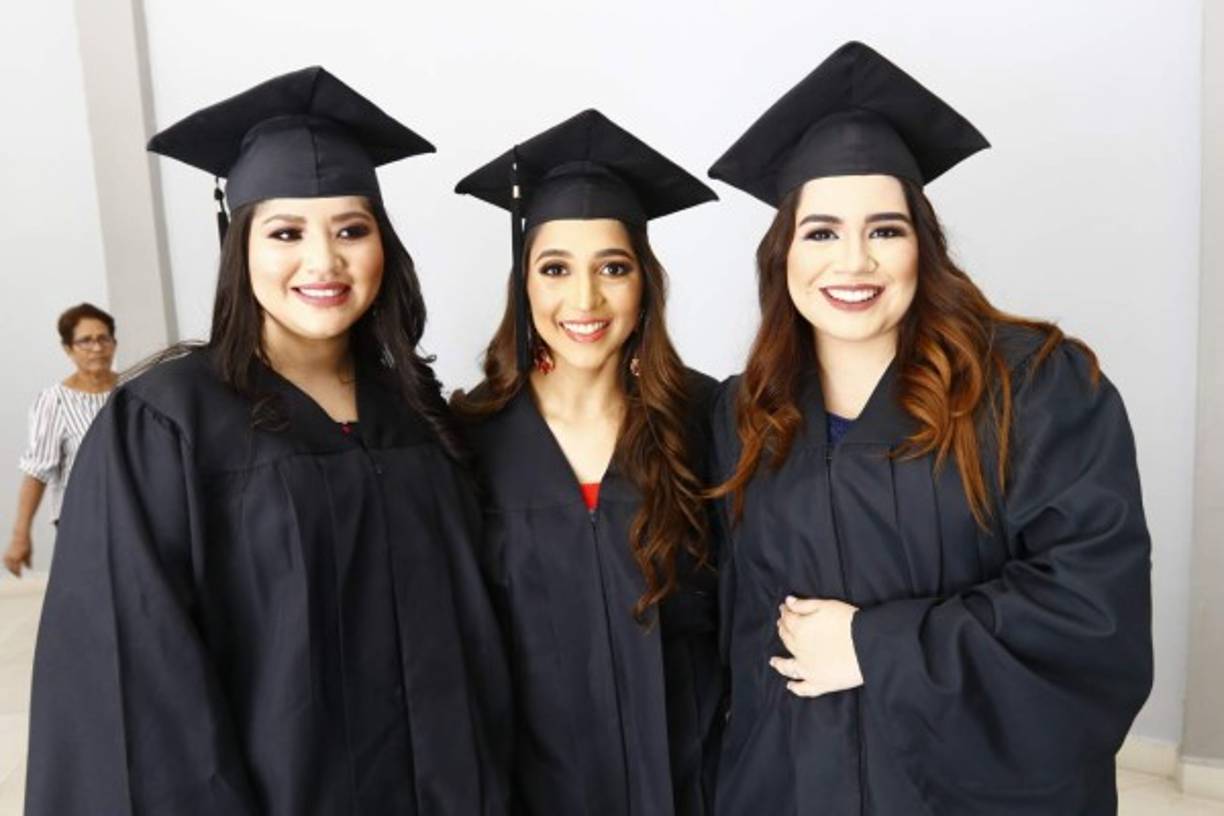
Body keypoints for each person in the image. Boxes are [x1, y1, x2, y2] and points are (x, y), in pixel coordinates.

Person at [26, 67, 512, 815]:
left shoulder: (418, 420)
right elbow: (135, 687)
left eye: (352, 229)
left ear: (384, 245)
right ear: (239, 244)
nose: (324, 262)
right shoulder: (164, 425)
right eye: (286, 232)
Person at [706, 42, 1152, 814]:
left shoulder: (1036, 388)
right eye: (820, 232)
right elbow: (742, 636)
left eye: (885, 230)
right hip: (797, 788)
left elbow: (1092, 614)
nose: (854, 262)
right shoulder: (746, 413)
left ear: (923, 246)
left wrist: (873, 648)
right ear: (783, 254)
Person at [452, 109, 724, 815]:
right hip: (531, 792)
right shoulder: (463, 442)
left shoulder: (710, 422)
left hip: (700, 785)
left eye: (613, 267)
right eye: (555, 269)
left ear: (645, 284)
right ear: (525, 284)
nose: (585, 299)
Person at [6, 303, 117, 577]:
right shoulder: (54, 401)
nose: (97, 348)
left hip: (133, 514)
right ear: (68, 348)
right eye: (86, 341)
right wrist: (21, 535)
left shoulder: (131, 390)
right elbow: (37, 470)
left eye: (104, 338)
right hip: (82, 519)